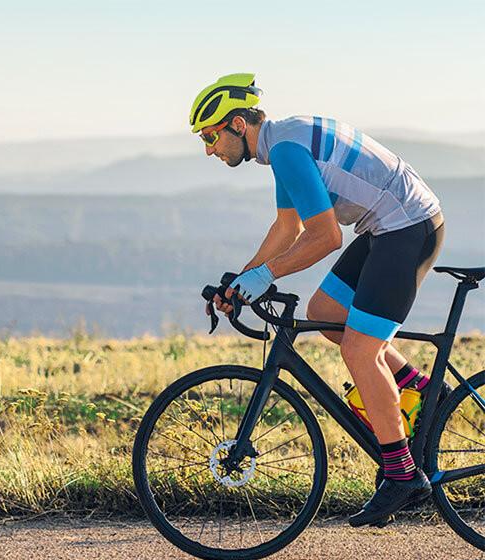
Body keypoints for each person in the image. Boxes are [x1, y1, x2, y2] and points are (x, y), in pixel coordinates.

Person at [191, 73, 450, 526]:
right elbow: (287, 228)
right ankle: (425, 392)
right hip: (386, 227)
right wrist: (242, 278)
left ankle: (402, 474)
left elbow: (326, 236)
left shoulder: (287, 151)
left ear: (236, 124)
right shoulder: (280, 145)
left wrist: (265, 275)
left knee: (359, 349)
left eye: (210, 137)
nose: (209, 150)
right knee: (326, 314)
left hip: (407, 227)